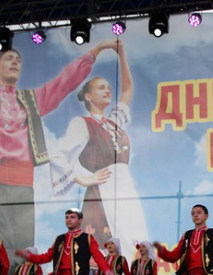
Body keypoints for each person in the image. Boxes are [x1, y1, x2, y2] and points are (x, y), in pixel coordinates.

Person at [0, 40, 121, 260]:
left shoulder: (29, 100)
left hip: (24, 180)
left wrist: (97, 50)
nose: (16, 62)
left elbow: (64, 82)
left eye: (18, 59)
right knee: (0, 242)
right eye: (9, 58)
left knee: (23, 242)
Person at [49, 39, 146, 257]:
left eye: (109, 87)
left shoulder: (113, 122)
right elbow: (57, 154)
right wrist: (83, 178)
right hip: (103, 190)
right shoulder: (83, 123)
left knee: (133, 242)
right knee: (106, 243)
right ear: (88, 96)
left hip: (125, 187)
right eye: (101, 87)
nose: (108, 90)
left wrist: (121, 55)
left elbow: (128, 90)